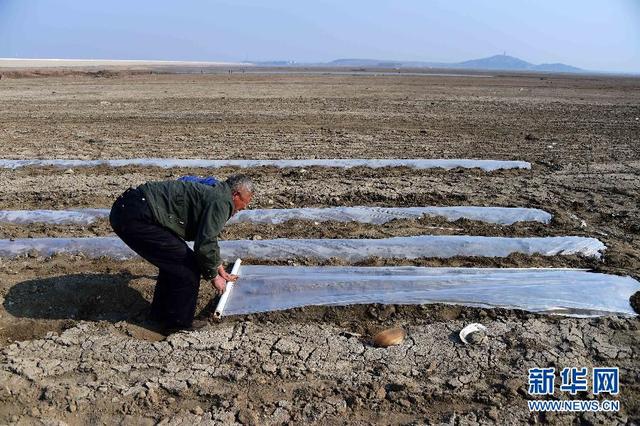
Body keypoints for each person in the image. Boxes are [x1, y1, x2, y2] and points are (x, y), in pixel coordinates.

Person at [109, 174, 254, 332]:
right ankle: (179, 325)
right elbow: (204, 244)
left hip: (131, 208)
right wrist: (213, 276)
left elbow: (207, 237)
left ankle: (159, 317)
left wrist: (217, 265)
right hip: (136, 215)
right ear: (236, 194)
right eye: (245, 202)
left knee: (173, 263)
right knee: (188, 266)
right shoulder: (222, 201)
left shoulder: (218, 192)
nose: (244, 207)